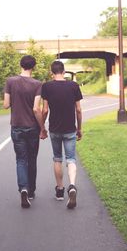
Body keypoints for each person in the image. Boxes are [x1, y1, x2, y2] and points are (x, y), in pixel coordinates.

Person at [3, 55, 47, 209]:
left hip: (16, 127)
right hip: (32, 128)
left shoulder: (10, 81)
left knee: (21, 159)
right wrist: (42, 128)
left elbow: (6, 105)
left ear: (20, 65)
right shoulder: (37, 84)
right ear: (33, 67)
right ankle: (31, 192)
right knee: (32, 159)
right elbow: (36, 109)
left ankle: (23, 188)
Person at [41, 61, 83, 209]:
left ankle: (60, 190)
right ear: (64, 71)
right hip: (70, 129)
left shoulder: (46, 87)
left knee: (57, 158)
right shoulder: (73, 86)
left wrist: (42, 128)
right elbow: (78, 109)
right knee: (71, 158)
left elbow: (45, 110)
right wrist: (80, 128)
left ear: (51, 72)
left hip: (55, 129)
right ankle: (72, 186)